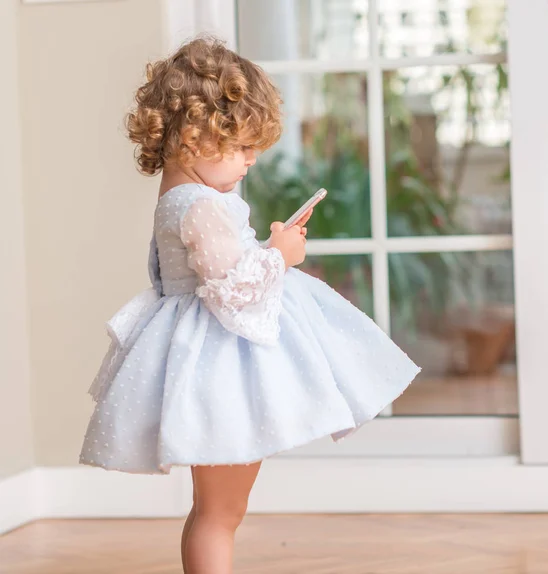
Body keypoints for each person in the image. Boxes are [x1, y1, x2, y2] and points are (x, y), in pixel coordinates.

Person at [79, 36, 420, 574]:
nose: (251, 160)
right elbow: (233, 292)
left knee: (218, 509)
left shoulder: (184, 195)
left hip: (209, 353)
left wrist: (264, 250)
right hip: (220, 363)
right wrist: (280, 258)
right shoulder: (199, 207)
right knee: (220, 511)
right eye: (238, 148)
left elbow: (214, 273)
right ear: (192, 137)